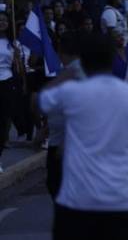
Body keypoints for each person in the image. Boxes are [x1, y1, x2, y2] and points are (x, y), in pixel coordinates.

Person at [39, 33, 128, 239]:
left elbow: (40, 101)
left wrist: (68, 73)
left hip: (76, 203)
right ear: (112, 59)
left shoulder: (71, 93)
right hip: (119, 202)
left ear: (83, 60)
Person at [44, 31, 86, 197]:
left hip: (68, 142)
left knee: (59, 185)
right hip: (58, 138)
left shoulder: (77, 74)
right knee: (56, 185)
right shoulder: (67, 71)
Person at [0, 11, 22, 173]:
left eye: (5, 20)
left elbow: (19, 68)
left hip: (7, 81)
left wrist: (18, 58)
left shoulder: (13, 43)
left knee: (3, 120)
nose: (2, 22)